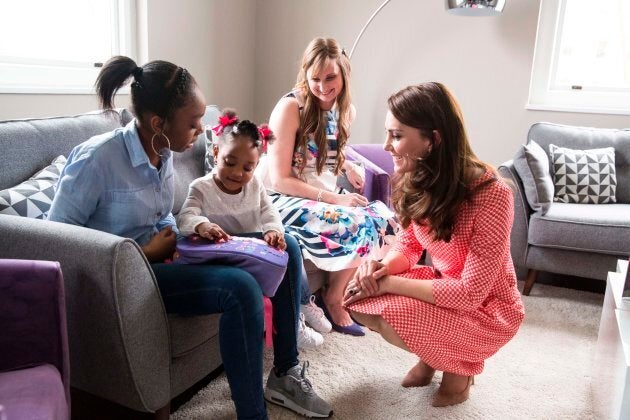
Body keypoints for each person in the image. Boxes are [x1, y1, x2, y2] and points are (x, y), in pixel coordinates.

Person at [48, 56, 332, 419]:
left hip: (172, 255)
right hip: (131, 273)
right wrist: (144, 252)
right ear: (157, 123)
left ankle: (286, 374)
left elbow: (162, 213)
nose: (201, 131)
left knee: (286, 245)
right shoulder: (96, 160)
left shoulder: (161, 150)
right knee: (239, 288)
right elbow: (59, 244)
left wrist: (193, 238)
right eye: (194, 123)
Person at [343, 82, 525, 407]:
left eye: (397, 136)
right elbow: (410, 242)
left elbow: (470, 295)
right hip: (444, 287)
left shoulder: (494, 195)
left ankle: (458, 371)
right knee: (358, 301)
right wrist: (381, 268)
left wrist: (387, 282)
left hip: (487, 308)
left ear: (433, 139)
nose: (386, 146)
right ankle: (435, 356)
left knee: (392, 311)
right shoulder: (417, 174)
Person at [258, 37, 397, 336]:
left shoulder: (346, 111)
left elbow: (326, 147)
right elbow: (280, 178)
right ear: (305, 76)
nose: (322, 86)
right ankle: (332, 301)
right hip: (279, 196)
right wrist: (334, 199)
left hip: (318, 195)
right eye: (315, 79)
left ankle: (334, 294)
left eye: (330, 77)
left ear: (344, 74)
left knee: (384, 220)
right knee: (353, 220)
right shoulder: (290, 108)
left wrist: (346, 165)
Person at [177, 108, 325, 349]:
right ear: (216, 153)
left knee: (288, 243)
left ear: (256, 167)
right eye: (230, 162)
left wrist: (272, 231)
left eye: (247, 168)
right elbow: (185, 219)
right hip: (222, 253)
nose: (237, 173)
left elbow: (269, 211)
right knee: (290, 246)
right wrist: (202, 225)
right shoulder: (200, 188)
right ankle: (299, 308)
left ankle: (297, 312)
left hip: (254, 251)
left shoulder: (255, 185)